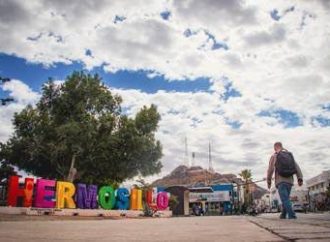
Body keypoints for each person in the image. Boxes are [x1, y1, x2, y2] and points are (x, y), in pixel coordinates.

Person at [267, 142, 303, 219]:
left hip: (281, 181)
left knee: (285, 199)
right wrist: (299, 178)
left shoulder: (275, 156)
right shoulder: (289, 155)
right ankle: (283, 215)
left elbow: (270, 169)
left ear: (275, 148)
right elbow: (296, 167)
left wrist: (269, 181)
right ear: (282, 146)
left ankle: (292, 215)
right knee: (285, 198)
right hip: (290, 181)